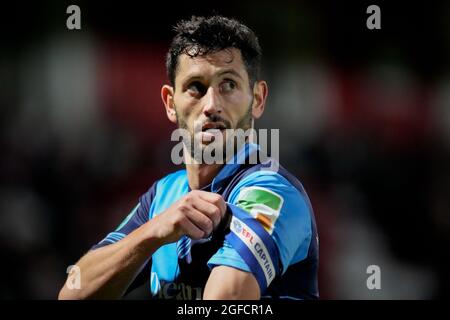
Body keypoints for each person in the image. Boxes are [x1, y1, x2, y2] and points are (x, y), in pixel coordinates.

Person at [58, 15, 319, 300]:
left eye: (229, 85)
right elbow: (72, 293)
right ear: (170, 104)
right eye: (196, 86)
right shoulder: (163, 198)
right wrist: (154, 232)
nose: (211, 105)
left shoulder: (272, 191)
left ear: (257, 99)